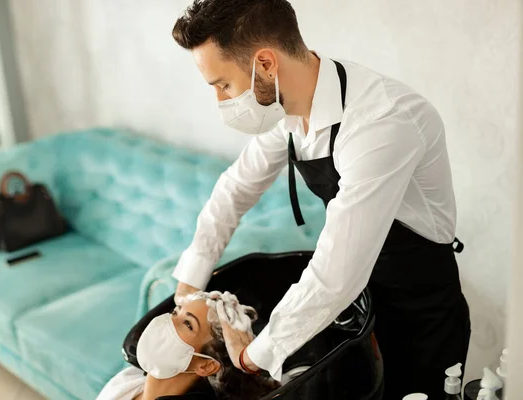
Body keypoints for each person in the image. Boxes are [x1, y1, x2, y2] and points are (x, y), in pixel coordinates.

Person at [169, 1, 471, 398]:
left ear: (265, 65)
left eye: (223, 85)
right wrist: (190, 279)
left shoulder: (383, 121)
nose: (221, 102)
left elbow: (335, 274)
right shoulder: (288, 109)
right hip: (362, 308)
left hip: (422, 316)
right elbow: (235, 189)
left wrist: (253, 355)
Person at [96, 292, 279, 400]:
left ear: (206, 365)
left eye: (188, 324)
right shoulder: (128, 379)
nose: (168, 321)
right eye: (175, 312)